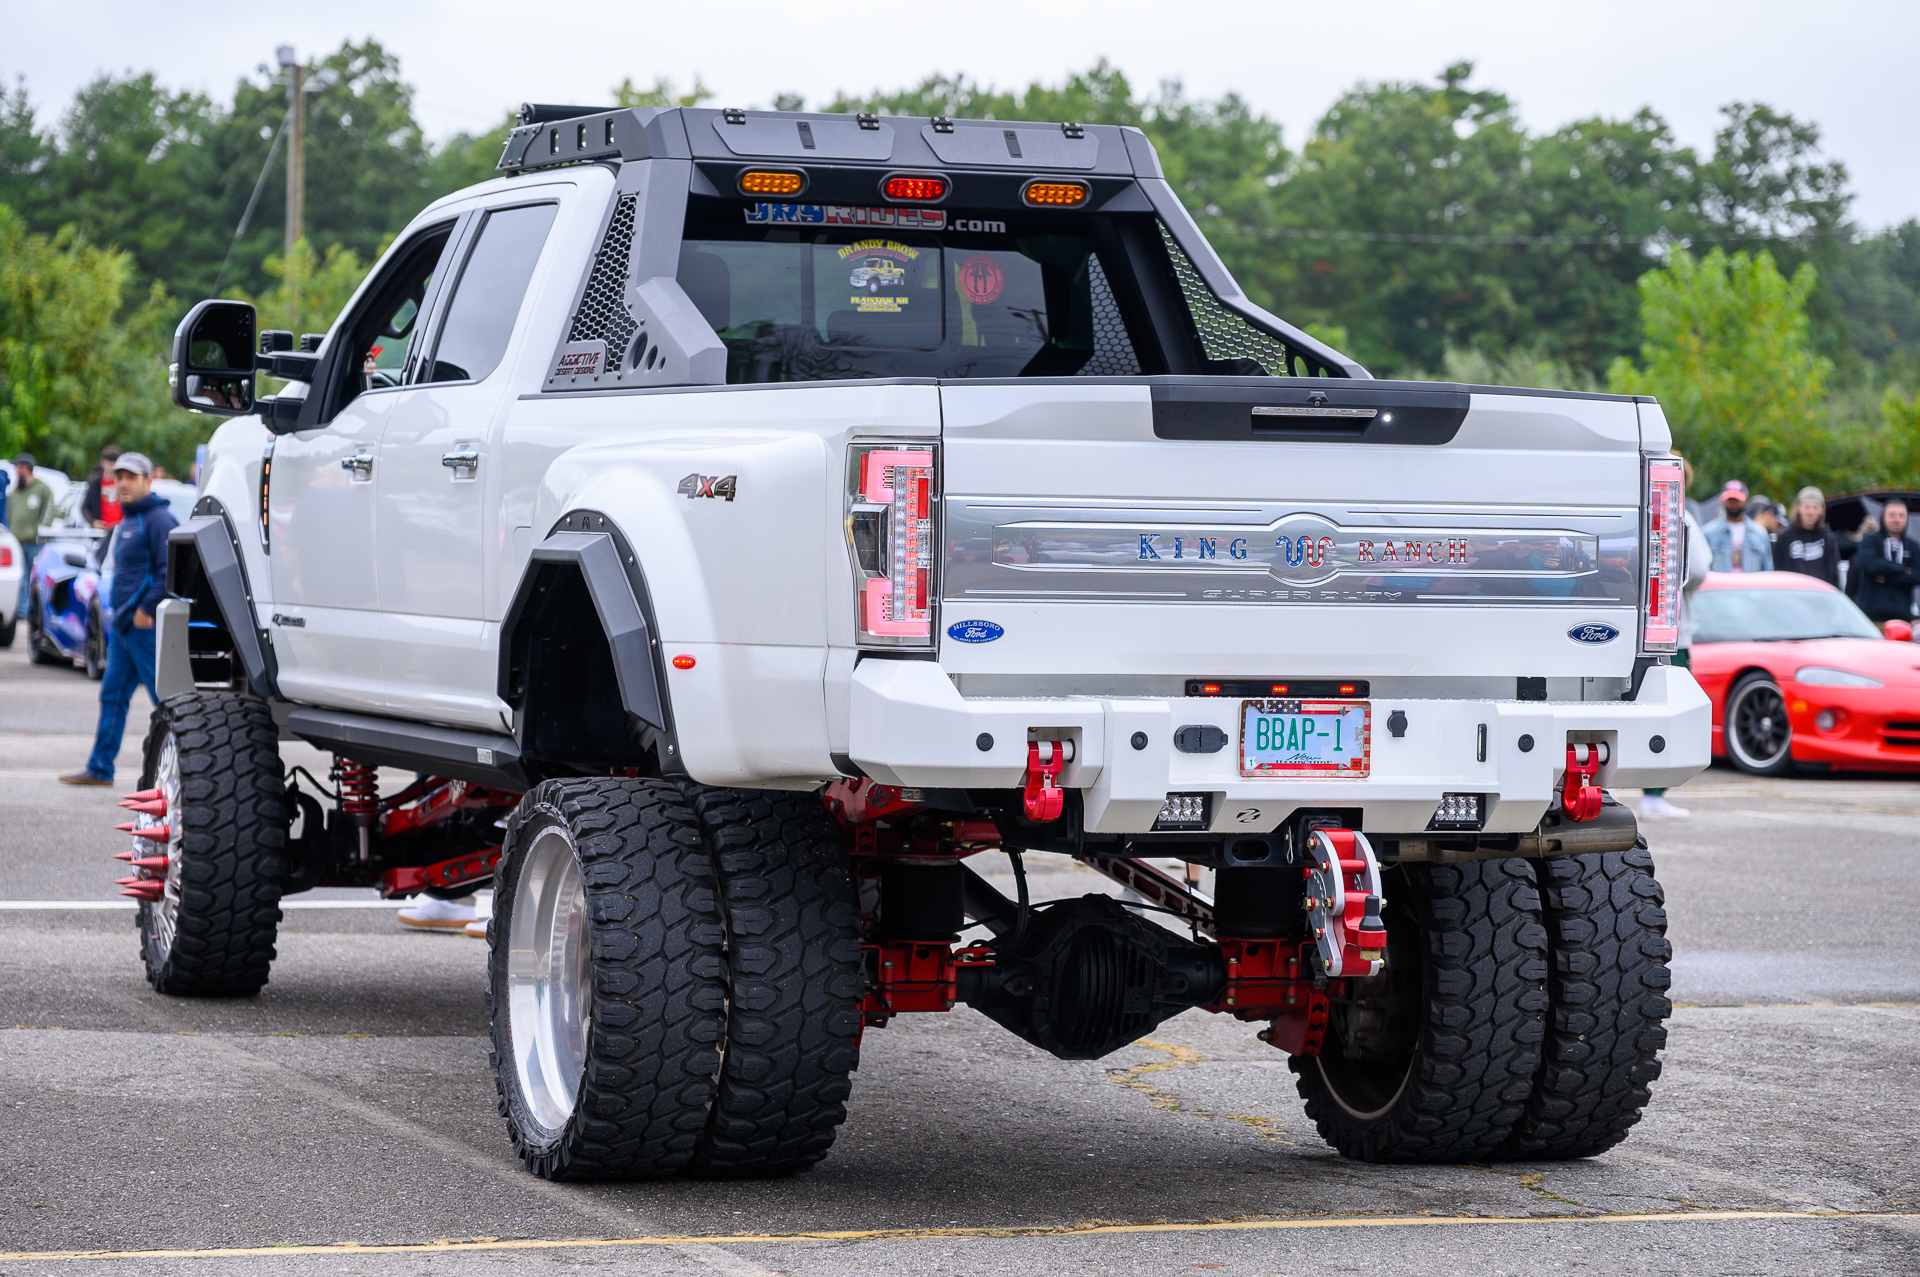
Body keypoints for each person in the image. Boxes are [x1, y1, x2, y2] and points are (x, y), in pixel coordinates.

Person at [59, 454, 178, 787]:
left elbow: (169, 572)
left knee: (167, 704)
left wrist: (147, 610)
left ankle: (189, 767)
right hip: (124, 629)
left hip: (144, 628)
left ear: (147, 482)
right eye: (119, 477)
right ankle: (100, 768)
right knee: (111, 696)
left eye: (131, 477)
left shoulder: (158, 520)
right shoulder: (126, 521)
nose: (123, 483)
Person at [1642, 458, 1712, 820]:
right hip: (1670, 631)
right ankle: (1653, 795)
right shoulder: (1680, 514)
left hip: (1634, 631)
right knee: (1669, 712)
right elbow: (1700, 566)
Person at [1855, 498, 1919, 626]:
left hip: (1902, 620)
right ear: (1883, 517)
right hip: (1871, 619)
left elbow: (1917, 576)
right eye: (1892, 515)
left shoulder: (1913, 546)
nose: (1897, 519)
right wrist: (1903, 569)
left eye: (1901, 515)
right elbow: (1872, 567)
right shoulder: (1870, 541)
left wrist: (1887, 578)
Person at [8, 454, 56, 619]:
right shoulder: (14, 492)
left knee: (35, 579)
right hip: (17, 543)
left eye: (17, 467)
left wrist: (40, 532)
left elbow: (49, 512)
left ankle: (36, 612)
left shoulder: (42, 489)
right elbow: (9, 514)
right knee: (21, 579)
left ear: (25, 468)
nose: (15, 471)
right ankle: (22, 611)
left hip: (36, 543)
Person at [1702, 480, 1773, 573]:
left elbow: (1768, 569)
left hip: (1751, 586)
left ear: (1746, 501)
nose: (1733, 504)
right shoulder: (1708, 532)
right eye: (1730, 500)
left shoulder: (1760, 533)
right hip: (1722, 586)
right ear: (1724, 501)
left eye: (1737, 500)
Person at [1777, 486, 1840, 587]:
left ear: (1822, 510)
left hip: (1820, 595)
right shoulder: (1784, 537)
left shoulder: (1828, 538)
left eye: (1815, 507)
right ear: (1798, 507)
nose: (1811, 512)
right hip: (1792, 594)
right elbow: (1777, 572)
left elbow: (1834, 575)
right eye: (1807, 507)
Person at [82, 444, 124, 531]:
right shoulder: (95, 483)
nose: (112, 465)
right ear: (103, 462)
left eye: (114, 462)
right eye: (109, 462)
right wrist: (93, 522)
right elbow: (85, 508)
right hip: (101, 531)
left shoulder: (123, 482)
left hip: (120, 528)